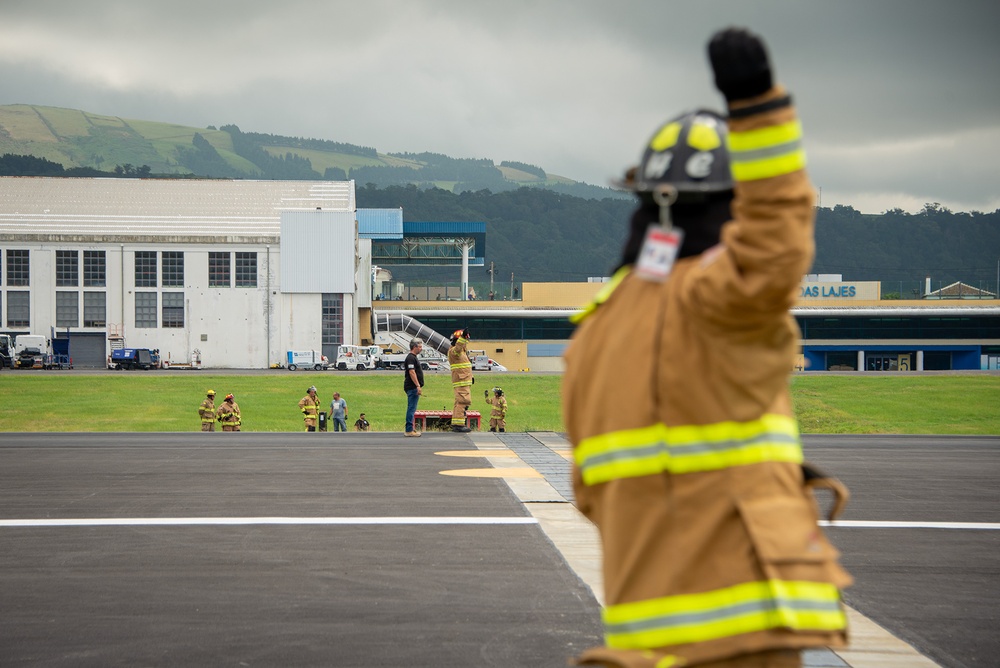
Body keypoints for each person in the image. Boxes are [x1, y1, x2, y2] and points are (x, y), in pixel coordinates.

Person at [563, 28, 852, 668]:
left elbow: (588, 489)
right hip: (743, 625)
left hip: (642, 629)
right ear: (730, 206)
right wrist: (758, 109)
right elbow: (775, 245)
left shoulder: (594, 330)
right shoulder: (718, 296)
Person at [447, 328, 473, 433]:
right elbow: (458, 348)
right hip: (461, 381)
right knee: (463, 401)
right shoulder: (454, 351)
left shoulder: (462, 352)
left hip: (464, 380)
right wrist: (462, 337)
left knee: (459, 402)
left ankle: (456, 423)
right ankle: (459, 425)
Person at [403, 337, 425, 437]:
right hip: (412, 387)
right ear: (414, 347)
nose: (421, 348)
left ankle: (410, 428)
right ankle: (409, 430)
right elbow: (412, 372)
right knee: (411, 408)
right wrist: (418, 385)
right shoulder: (411, 358)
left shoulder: (413, 357)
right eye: (419, 347)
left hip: (413, 387)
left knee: (412, 408)